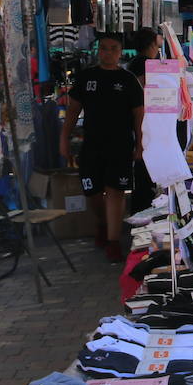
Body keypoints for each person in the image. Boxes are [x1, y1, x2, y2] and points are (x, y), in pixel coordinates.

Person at [59, 32, 144, 262]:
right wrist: (64, 139)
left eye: (113, 48)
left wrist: (140, 143)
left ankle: (113, 241)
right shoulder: (86, 77)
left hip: (121, 144)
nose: (108, 53)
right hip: (92, 144)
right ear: (98, 50)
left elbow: (138, 115)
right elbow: (73, 111)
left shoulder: (128, 80)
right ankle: (102, 224)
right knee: (93, 192)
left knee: (116, 191)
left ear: (121, 52)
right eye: (104, 48)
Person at [125, 28, 160, 215]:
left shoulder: (134, 63)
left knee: (143, 169)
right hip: (144, 121)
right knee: (144, 169)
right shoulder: (146, 64)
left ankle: (140, 207)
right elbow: (147, 92)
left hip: (139, 121)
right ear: (152, 44)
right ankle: (142, 210)